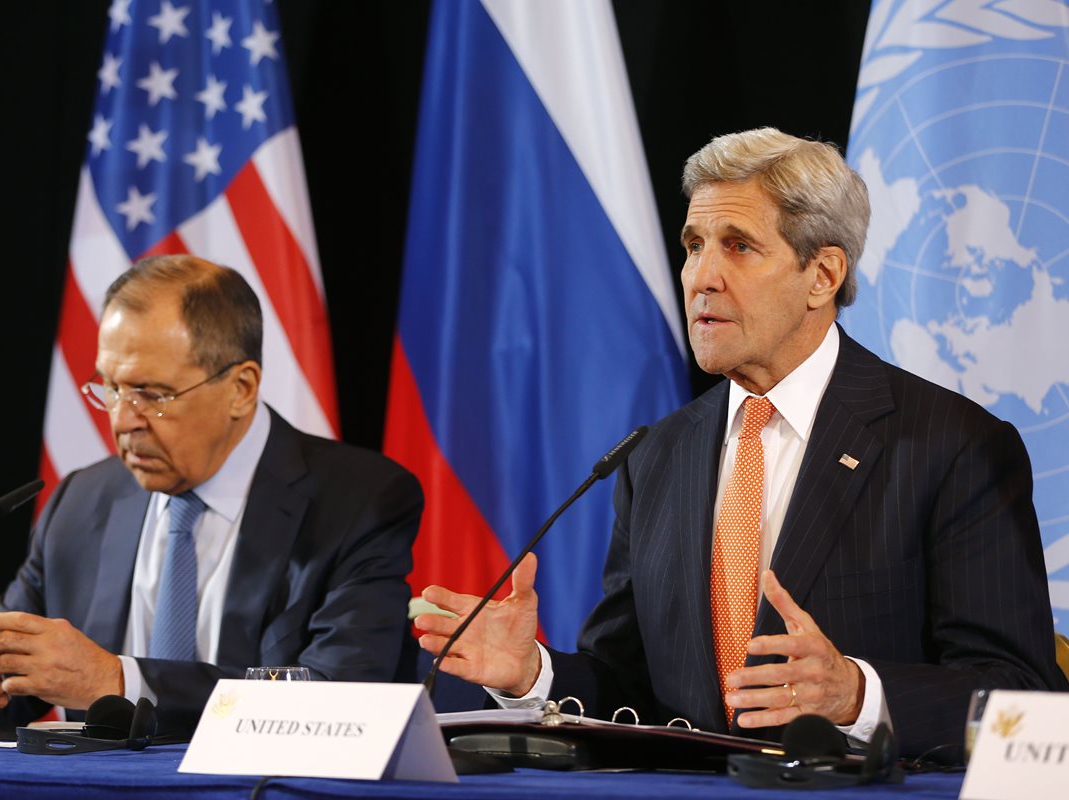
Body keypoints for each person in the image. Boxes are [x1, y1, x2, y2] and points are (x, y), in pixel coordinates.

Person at [415, 128, 1066, 758]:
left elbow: (1023, 694)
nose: (701, 276)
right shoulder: (655, 457)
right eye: (694, 245)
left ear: (823, 275)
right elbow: (631, 688)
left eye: (739, 247)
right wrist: (534, 675)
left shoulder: (950, 445)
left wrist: (856, 695)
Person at [0, 255, 422, 734]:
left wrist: (117, 680)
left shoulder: (359, 502)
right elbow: (5, 690)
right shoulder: (81, 502)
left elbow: (340, 700)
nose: (123, 420)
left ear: (241, 388)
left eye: (151, 394)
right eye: (110, 388)